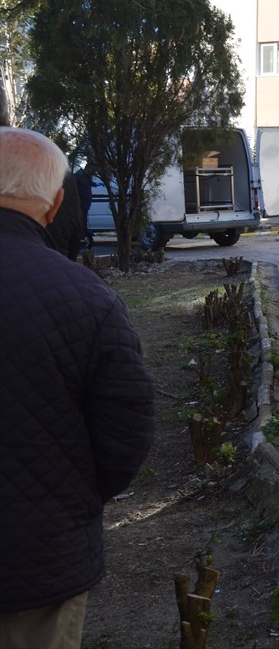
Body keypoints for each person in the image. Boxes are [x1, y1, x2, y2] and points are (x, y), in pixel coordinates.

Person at [0, 127, 155, 648]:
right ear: (55, 204)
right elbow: (126, 429)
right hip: (39, 560)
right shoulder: (87, 298)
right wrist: (69, 501)